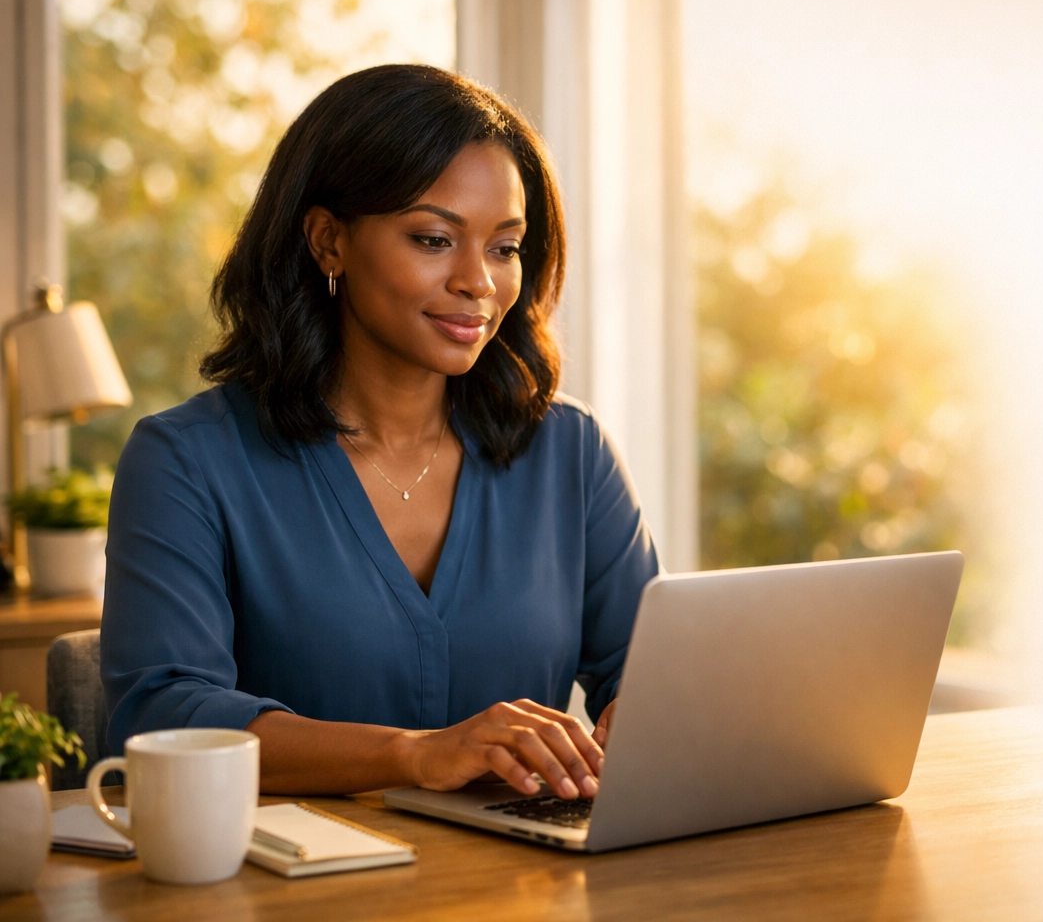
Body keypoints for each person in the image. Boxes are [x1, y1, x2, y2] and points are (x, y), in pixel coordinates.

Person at [100, 64, 659, 800]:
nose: (478, 282)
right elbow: (163, 716)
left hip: (522, 869)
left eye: (504, 247)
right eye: (433, 239)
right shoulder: (186, 461)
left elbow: (656, 671)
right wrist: (415, 754)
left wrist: (652, 714)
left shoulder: (570, 452)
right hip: (291, 868)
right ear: (328, 241)